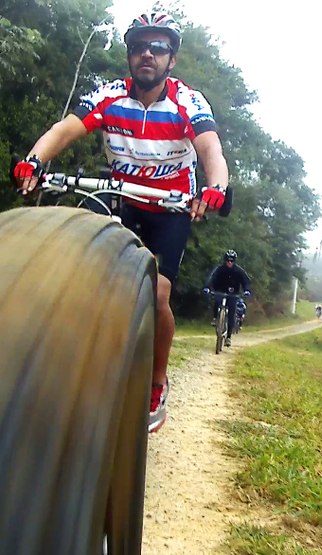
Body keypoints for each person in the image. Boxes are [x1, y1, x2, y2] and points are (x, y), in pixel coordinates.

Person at [13, 11, 229, 433]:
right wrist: (33, 161)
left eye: (158, 47)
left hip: (169, 205)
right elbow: (64, 130)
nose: (146, 53)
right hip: (120, 198)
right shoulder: (110, 95)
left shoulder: (188, 101)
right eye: (138, 46)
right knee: (75, 259)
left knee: (160, 294)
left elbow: (210, 149)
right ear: (129, 55)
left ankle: (155, 381)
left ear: (172, 59)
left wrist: (215, 186)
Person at [202, 249, 251, 346]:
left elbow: (246, 281)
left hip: (233, 294)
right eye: (228, 260)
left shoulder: (239, 271)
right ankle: (216, 318)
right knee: (217, 301)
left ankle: (228, 337)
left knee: (232, 313)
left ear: (234, 261)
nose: (229, 262)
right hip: (220, 291)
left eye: (231, 261)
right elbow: (212, 278)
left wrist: (246, 290)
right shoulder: (219, 269)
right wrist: (207, 287)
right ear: (225, 260)